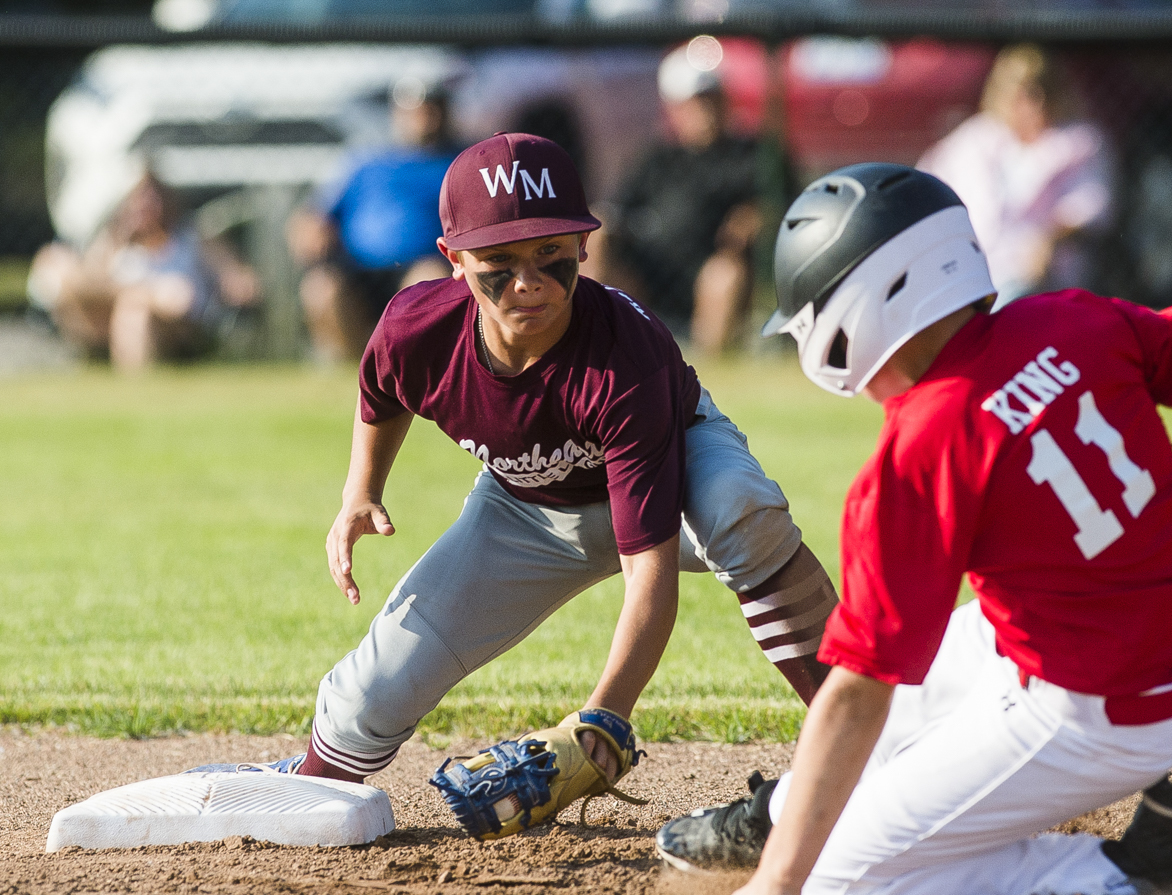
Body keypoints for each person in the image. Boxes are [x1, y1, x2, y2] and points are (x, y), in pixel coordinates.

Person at [659, 163, 1172, 895]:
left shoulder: (917, 454)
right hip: (1170, 650)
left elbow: (858, 691)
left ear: (850, 319)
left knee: (833, 892)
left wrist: (783, 881)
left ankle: (1154, 864)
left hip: (1104, 715)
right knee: (913, 691)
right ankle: (782, 812)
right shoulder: (1071, 317)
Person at [197, 133, 836, 791]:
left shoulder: (624, 357)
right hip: (523, 506)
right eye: (498, 259)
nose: (528, 281)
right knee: (367, 694)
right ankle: (313, 781)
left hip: (675, 464)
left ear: (585, 246)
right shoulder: (416, 328)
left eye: (550, 254)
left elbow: (649, 577)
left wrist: (604, 719)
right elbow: (382, 392)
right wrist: (362, 488)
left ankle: (862, 727)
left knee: (741, 512)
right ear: (454, 259)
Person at [606, 43, 775, 353]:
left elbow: (782, 202)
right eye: (696, 102)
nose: (706, 111)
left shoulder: (753, 155)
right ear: (674, 108)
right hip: (648, 270)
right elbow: (616, 210)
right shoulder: (655, 160)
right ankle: (604, 351)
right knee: (598, 240)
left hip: (715, 269)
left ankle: (707, 364)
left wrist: (756, 216)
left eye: (712, 99)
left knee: (723, 275)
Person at [918, 45, 1113, 305]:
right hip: (967, 270)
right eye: (1021, 94)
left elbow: (1089, 209)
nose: (1032, 104)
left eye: (1040, 93)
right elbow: (928, 184)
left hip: (1036, 277)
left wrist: (1048, 241)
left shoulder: (1079, 142)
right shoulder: (975, 138)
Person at [287, 77, 459, 363]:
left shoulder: (459, 161)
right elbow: (313, 216)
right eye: (414, 110)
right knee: (321, 289)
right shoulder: (362, 161)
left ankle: (414, 366)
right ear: (396, 114)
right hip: (358, 270)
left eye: (432, 108)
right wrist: (311, 233)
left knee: (429, 281)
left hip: (424, 265)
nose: (424, 118)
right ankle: (357, 368)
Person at [28, 172, 259, 371]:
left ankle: (136, 387)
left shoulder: (192, 238)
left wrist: (232, 286)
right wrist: (147, 292)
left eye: (152, 198)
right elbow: (81, 284)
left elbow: (237, 280)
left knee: (140, 311)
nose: (145, 207)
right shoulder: (114, 243)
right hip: (112, 320)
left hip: (182, 327)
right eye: (137, 199)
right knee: (61, 268)